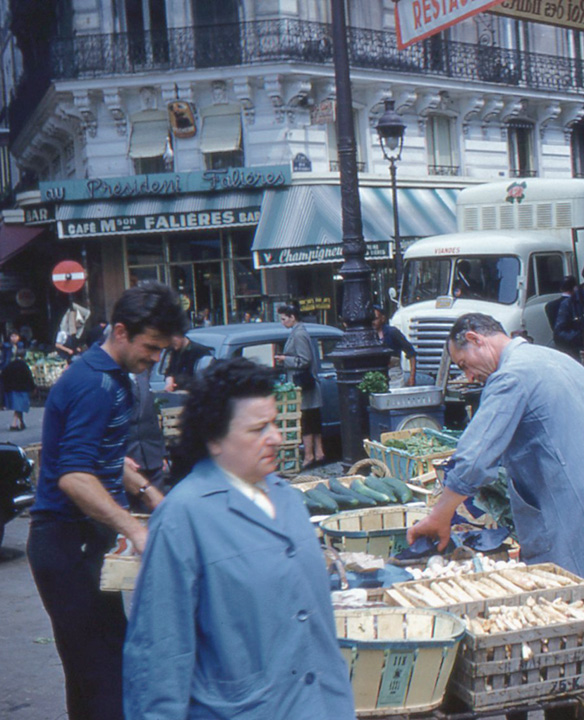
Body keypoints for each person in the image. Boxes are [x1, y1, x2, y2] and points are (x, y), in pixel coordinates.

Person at [123, 358, 355, 719]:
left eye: (275, 423)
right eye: (258, 429)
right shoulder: (183, 517)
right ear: (214, 438)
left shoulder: (289, 500)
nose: (276, 438)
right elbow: (159, 656)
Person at [408, 313, 584, 614]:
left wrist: (439, 516)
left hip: (573, 508)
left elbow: (473, 461)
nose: (469, 376)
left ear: (475, 339)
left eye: (463, 364)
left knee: (580, 613)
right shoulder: (558, 359)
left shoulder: (511, 376)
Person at [27, 283, 185, 720]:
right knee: (107, 682)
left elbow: (101, 457)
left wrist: (151, 494)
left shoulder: (109, 377)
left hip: (81, 545)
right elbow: (74, 478)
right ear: (120, 331)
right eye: (151, 347)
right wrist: (134, 529)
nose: (156, 359)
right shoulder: (96, 384)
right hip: (67, 545)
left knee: (94, 677)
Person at [274, 305, 324, 467]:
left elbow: (304, 360)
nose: (282, 323)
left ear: (292, 317)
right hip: (307, 383)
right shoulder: (299, 332)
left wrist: (284, 359)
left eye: (283, 319)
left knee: (307, 421)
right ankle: (318, 452)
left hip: (303, 383)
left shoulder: (299, 334)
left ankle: (310, 455)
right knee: (313, 420)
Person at [126, 368, 168, 497]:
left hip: (152, 457)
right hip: (127, 461)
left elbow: (151, 417)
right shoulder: (108, 378)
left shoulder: (142, 373)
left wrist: (162, 453)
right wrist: (120, 457)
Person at [371, 304, 420, 387]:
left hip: (394, 375)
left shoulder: (392, 332)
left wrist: (412, 377)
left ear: (382, 318)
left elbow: (412, 354)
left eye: (375, 319)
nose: (372, 322)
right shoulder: (368, 335)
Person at [1, 346, 33, 430]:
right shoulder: (24, 366)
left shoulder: (11, 364)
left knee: (18, 406)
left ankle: (21, 422)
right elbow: (29, 377)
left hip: (12, 389)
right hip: (22, 389)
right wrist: (33, 387)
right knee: (19, 407)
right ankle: (14, 424)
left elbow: (4, 375)